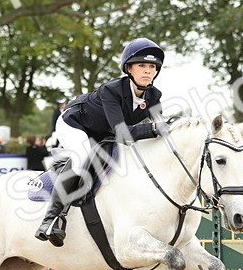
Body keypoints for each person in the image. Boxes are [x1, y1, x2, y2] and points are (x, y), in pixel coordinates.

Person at [35, 37, 166, 246]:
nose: (148, 71)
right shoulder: (111, 90)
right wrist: (153, 128)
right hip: (75, 123)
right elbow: (123, 133)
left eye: (152, 67)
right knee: (81, 157)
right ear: (129, 69)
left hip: (102, 132)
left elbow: (161, 127)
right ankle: (51, 219)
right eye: (142, 66)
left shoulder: (154, 96)